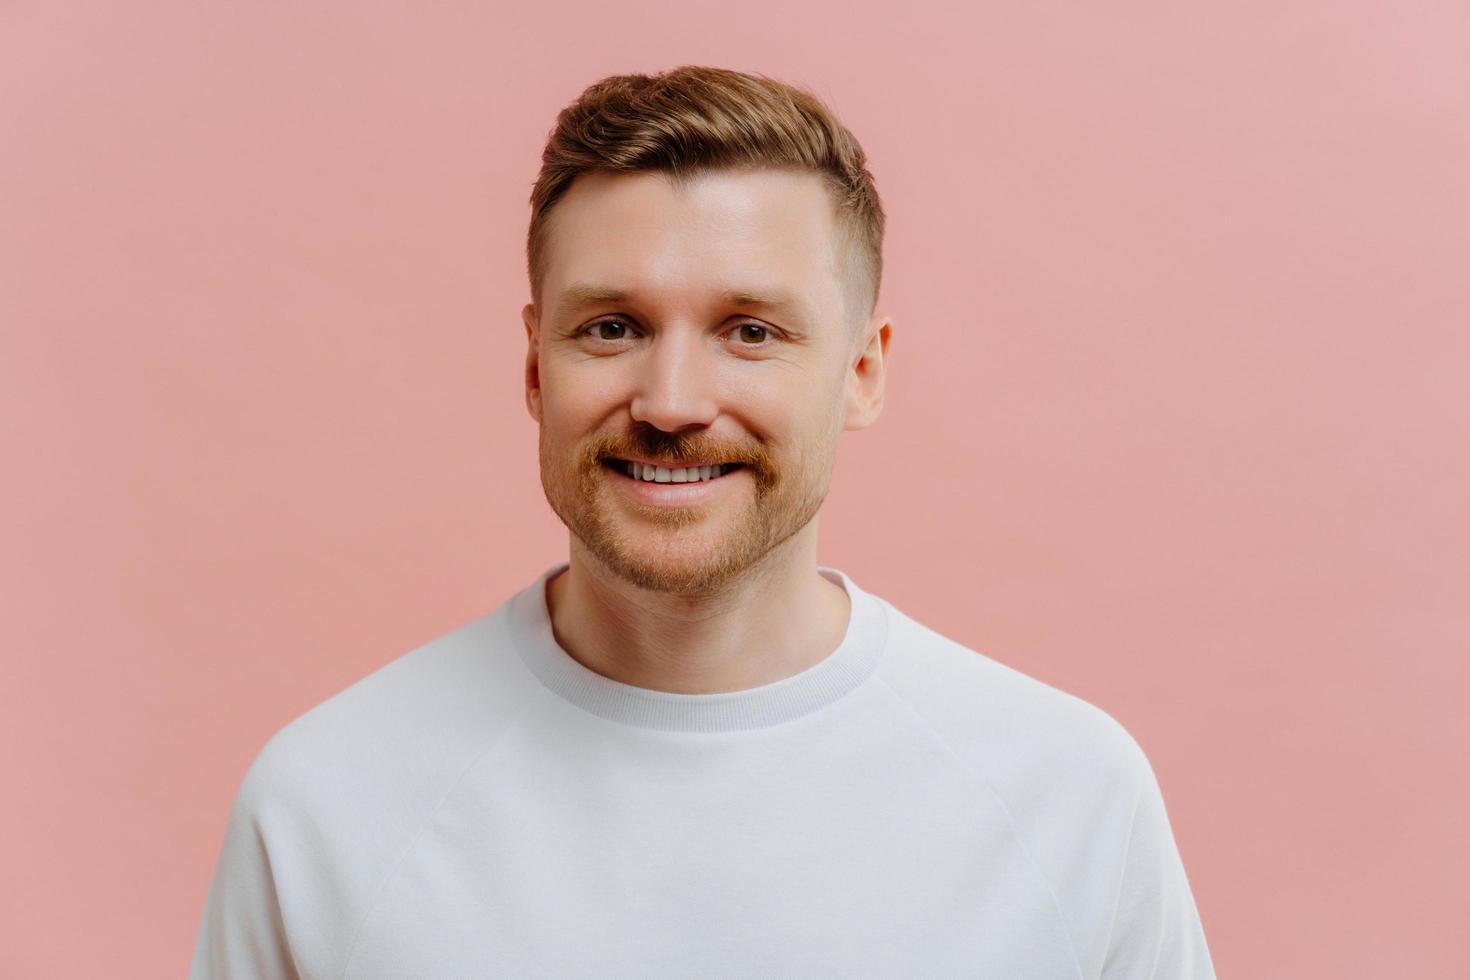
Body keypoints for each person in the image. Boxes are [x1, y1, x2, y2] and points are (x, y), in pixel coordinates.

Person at [190, 65, 1215, 978]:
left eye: (750, 330)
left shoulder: (1069, 798)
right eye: (612, 327)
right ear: (537, 366)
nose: (671, 399)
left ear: (862, 371)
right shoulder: (325, 803)